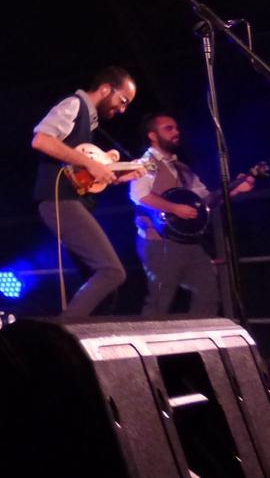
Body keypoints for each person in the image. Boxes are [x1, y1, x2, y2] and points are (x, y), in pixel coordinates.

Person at [30, 66, 145, 318]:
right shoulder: (74, 105)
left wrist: (116, 177)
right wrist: (90, 163)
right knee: (111, 272)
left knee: (104, 286)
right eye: (122, 100)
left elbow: (82, 176)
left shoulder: (89, 124)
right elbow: (41, 139)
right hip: (59, 200)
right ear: (105, 89)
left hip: (72, 201)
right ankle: (63, 334)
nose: (123, 109)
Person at [129, 114, 254, 317]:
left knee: (208, 294)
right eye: (169, 129)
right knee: (160, 302)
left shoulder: (182, 168)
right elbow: (139, 195)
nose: (176, 132)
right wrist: (174, 208)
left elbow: (205, 199)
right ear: (153, 135)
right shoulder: (144, 163)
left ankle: (197, 345)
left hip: (189, 243)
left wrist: (236, 189)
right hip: (158, 243)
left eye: (176, 128)